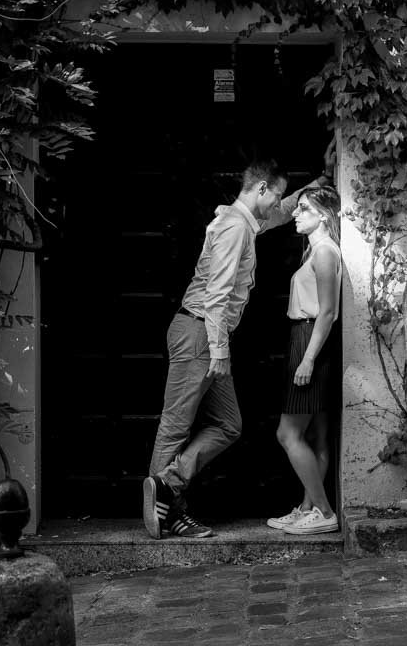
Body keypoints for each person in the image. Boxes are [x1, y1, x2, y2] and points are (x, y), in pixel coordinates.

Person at [144, 155, 334, 539]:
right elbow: (215, 295)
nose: (282, 205)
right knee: (175, 426)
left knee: (229, 425)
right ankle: (166, 512)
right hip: (200, 332)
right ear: (260, 188)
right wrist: (218, 350)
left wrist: (317, 182)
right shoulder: (234, 228)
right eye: (277, 195)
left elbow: (278, 213)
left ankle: (167, 484)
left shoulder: (245, 220)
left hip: (207, 334)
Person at [268, 184, 343, 535]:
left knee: (287, 434)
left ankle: (324, 512)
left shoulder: (325, 252)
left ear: (323, 215)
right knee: (316, 435)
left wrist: (308, 358)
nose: (295, 214)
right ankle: (307, 508)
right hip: (310, 339)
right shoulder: (316, 251)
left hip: (311, 340)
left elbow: (327, 312)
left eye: (303, 208)